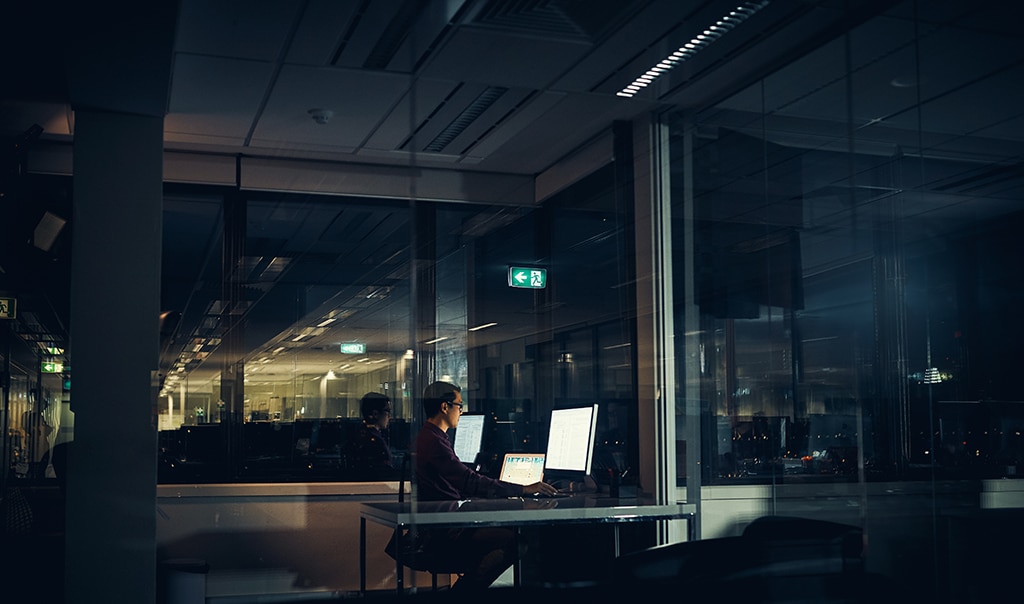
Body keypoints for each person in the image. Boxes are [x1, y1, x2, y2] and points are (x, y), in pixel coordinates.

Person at [411, 380, 557, 591]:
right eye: (459, 405)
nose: (461, 411)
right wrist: (523, 489)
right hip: (445, 533)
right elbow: (468, 481)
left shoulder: (431, 437)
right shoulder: (433, 441)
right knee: (515, 542)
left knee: (507, 531)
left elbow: (460, 481)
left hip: (444, 524)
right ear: (445, 407)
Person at [346, 392, 396, 479]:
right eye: (387, 411)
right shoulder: (375, 442)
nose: (389, 416)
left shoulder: (359, 435)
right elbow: (383, 472)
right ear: (375, 414)